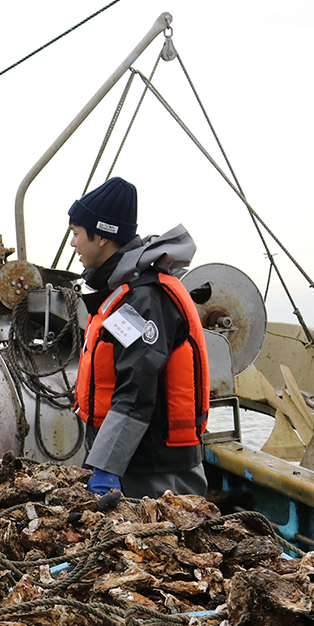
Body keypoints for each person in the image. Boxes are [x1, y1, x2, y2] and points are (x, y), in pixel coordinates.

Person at [69, 177, 210, 498]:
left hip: (157, 473)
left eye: (77, 234)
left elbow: (137, 387)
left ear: (102, 237)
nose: (74, 243)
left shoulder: (146, 298)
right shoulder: (126, 291)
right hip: (132, 463)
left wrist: (106, 466)